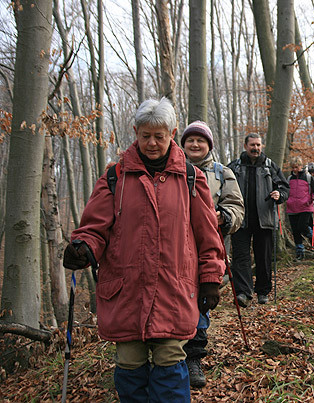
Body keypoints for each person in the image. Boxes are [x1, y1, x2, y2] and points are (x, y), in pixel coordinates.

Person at [63, 98, 226, 402]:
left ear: (172, 133)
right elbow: (94, 228)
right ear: (135, 132)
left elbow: (208, 236)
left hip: (173, 289)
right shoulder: (115, 177)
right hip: (126, 291)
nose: (152, 143)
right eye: (145, 135)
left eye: (159, 136)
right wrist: (83, 247)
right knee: (129, 362)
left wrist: (211, 278)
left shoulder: (192, 178)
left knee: (170, 360)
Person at [180, 120, 245, 388]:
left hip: (210, 245)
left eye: (200, 141)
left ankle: (193, 356)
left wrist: (226, 217)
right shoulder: (171, 169)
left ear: (209, 145)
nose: (195, 145)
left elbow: (236, 207)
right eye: (190, 140)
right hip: (175, 246)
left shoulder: (222, 173)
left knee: (203, 297)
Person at [228, 133, 289, 307]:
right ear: (245, 146)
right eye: (252, 145)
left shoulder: (270, 166)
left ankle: (263, 291)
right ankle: (243, 293)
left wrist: (280, 195)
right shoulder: (234, 167)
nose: (256, 148)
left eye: (258, 145)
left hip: (265, 219)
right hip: (240, 220)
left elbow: (284, 186)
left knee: (263, 257)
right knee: (241, 257)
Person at [286, 157, 314, 259]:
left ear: (301, 166)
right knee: (295, 231)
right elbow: (285, 191)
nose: (294, 169)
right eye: (293, 167)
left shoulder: (308, 177)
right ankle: (300, 251)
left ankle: (310, 235)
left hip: (305, 206)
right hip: (292, 207)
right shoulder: (289, 179)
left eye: (296, 167)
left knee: (302, 226)